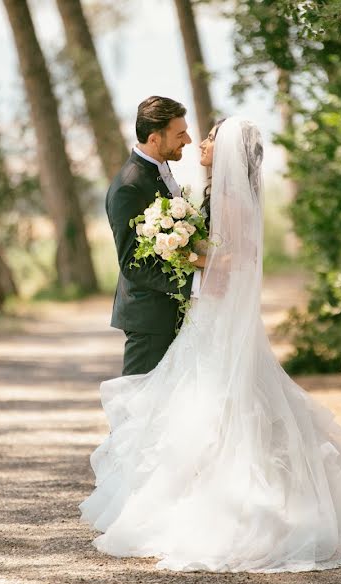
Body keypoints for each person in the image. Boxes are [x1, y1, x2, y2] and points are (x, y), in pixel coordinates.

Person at [81, 116, 341, 573]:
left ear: (228, 152)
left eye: (208, 137)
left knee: (213, 405)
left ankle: (218, 506)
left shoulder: (227, 197)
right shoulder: (210, 192)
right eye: (190, 134)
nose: (198, 143)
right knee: (199, 404)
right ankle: (174, 493)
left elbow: (236, 257)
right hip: (206, 314)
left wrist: (189, 255)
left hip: (214, 313)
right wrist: (187, 253)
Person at [105, 96, 201, 376]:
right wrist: (195, 285)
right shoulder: (129, 186)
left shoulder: (160, 170)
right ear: (154, 138)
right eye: (180, 134)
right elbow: (132, 264)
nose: (189, 140)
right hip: (149, 319)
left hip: (172, 313)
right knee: (136, 403)